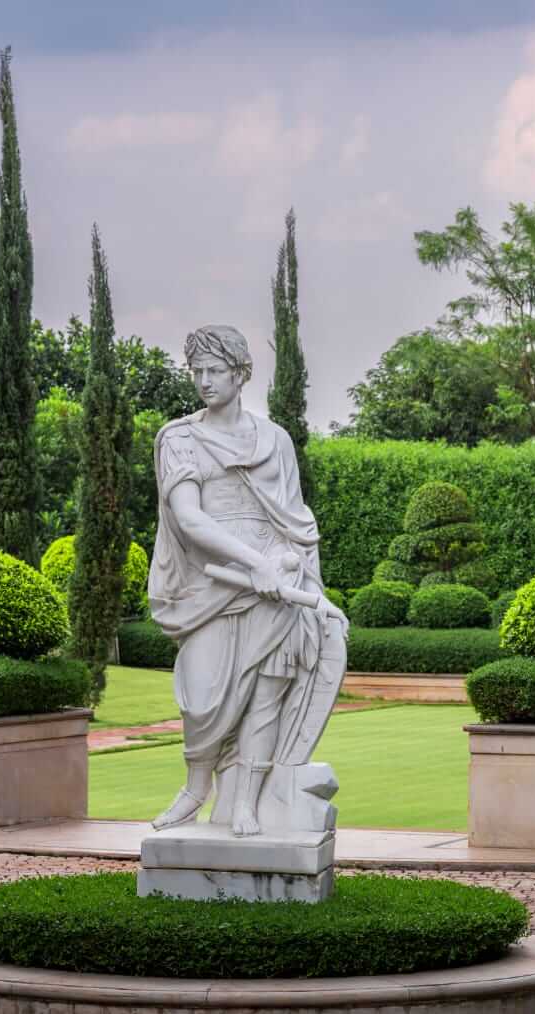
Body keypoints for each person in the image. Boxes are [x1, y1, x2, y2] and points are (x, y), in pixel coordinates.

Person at [148, 325, 348, 837]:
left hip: (275, 584)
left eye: (215, 371)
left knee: (265, 696)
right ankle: (196, 787)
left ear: (241, 375)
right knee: (202, 698)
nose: (204, 381)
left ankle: (247, 803)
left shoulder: (275, 440)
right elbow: (190, 519)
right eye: (197, 372)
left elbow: (296, 520)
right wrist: (250, 564)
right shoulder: (180, 438)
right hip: (214, 585)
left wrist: (292, 572)